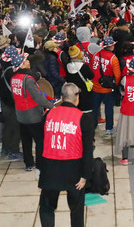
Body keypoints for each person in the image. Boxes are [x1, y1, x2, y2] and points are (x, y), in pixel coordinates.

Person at [39, 83, 94, 227]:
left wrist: (40, 168)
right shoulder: (83, 118)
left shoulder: (48, 115)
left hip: (50, 168)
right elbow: (88, 150)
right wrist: (85, 175)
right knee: (76, 209)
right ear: (77, 99)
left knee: (47, 207)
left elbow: (41, 143)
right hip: (73, 170)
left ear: (62, 98)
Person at [5, 46, 54, 171]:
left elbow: (13, 96)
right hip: (33, 115)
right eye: (26, 61)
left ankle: (28, 163)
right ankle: (40, 164)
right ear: (22, 65)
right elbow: (38, 98)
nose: (28, 61)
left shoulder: (14, 78)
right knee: (40, 141)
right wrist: (52, 106)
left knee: (26, 140)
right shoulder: (28, 79)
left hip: (20, 114)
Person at [91, 36, 121, 132]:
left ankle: (94, 126)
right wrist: (115, 84)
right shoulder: (113, 58)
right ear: (111, 46)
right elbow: (117, 75)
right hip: (107, 88)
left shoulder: (96, 55)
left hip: (95, 86)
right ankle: (109, 128)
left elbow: (92, 69)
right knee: (108, 108)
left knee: (95, 108)